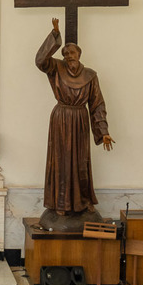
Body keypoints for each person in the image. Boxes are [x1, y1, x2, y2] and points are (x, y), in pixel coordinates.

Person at [37, 17, 113, 229]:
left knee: (80, 163)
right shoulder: (56, 68)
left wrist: (103, 131)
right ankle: (58, 205)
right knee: (60, 161)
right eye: (66, 53)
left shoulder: (90, 76)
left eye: (73, 53)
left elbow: (97, 104)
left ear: (80, 55)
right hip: (61, 119)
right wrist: (54, 36)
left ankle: (83, 203)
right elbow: (40, 61)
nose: (70, 56)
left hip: (80, 120)